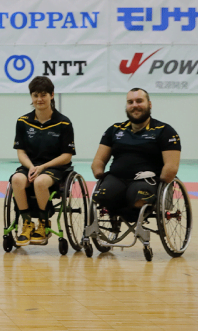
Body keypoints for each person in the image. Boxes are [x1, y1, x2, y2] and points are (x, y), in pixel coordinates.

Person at [91, 88, 181, 219]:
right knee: (101, 196)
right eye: (130, 102)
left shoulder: (165, 131)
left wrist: (160, 181)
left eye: (139, 101)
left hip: (147, 180)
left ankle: (133, 214)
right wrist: (99, 173)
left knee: (138, 198)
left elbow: (171, 167)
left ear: (149, 104)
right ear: (127, 106)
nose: (135, 105)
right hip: (117, 178)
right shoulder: (114, 130)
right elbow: (98, 160)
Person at [10, 76, 75, 247]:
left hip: (54, 167)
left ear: (52, 95)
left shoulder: (63, 122)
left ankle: (44, 223)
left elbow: (67, 156)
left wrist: (43, 167)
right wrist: (31, 166)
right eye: (35, 95)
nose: (39, 99)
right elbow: (21, 152)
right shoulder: (23, 121)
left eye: (44, 95)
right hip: (31, 165)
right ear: (31, 97)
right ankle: (27, 224)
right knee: (16, 179)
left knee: (40, 182)